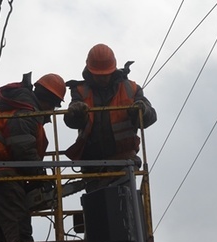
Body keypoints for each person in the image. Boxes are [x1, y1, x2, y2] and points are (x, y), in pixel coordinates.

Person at [0, 72, 66, 242]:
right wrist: (40, 176)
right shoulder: (26, 114)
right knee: (19, 232)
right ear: (47, 101)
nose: (52, 112)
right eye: (53, 106)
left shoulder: (19, 108)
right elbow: (24, 151)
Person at [64, 43, 157, 191]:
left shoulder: (131, 88)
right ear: (90, 71)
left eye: (105, 74)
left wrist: (141, 110)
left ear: (112, 70)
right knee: (98, 206)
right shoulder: (80, 91)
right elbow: (71, 121)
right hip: (93, 164)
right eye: (98, 75)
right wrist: (76, 113)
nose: (102, 79)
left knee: (124, 205)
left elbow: (151, 116)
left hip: (124, 160)